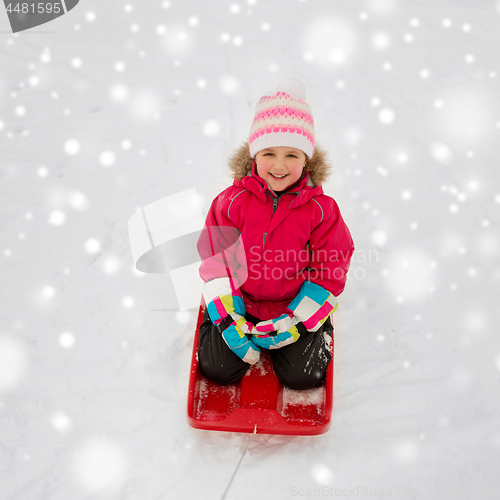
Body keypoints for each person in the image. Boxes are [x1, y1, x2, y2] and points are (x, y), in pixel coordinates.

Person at [196, 77, 355, 390]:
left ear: (306, 159)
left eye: (292, 155)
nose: (279, 165)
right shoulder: (231, 202)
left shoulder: (321, 210)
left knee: (304, 377)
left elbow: (330, 265)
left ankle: (312, 330)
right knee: (216, 370)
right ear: (254, 155)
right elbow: (216, 259)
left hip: (292, 307)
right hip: (240, 303)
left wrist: (297, 320)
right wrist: (229, 317)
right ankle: (220, 325)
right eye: (269, 153)